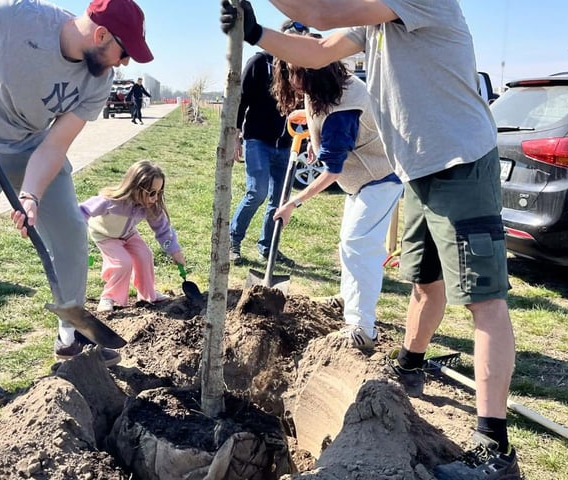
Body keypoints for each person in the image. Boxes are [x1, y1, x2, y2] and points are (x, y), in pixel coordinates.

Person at [221, 2, 520, 479]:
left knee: (483, 301)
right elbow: (317, 50)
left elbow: (317, 14)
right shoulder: (374, 21)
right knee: (425, 282)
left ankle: (494, 449)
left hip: (460, 161)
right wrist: (256, 32)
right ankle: (409, 365)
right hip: (418, 169)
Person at [0, 0, 153, 409]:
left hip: (32, 145)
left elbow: (54, 145)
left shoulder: (97, 82)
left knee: (69, 232)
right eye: (124, 52)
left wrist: (30, 193)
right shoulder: (17, 15)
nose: (123, 63)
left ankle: (70, 335)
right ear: (101, 35)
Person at [270, 59, 402, 351]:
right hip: (362, 181)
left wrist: (296, 201)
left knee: (359, 244)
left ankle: (363, 328)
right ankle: (349, 303)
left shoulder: (343, 109)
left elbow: (332, 171)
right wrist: (312, 132)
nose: (291, 82)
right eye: (286, 74)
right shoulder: (323, 88)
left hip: (381, 177)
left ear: (315, 72)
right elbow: (321, 116)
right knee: (348, 244)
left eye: (295, 74)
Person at [229, 20, 307, 267]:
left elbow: (309, 106)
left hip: (287, 144)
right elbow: (240, 102)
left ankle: (268, 246)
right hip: (257, 140)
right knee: (257, 192)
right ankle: (233, 242)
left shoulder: (302, 68)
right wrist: (235, 136)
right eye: (292, 38)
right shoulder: (259, 63)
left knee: (279, 199)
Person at [79, 160, 186, 313]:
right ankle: (109, 297)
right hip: (105, 235)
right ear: (136, 187)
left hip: (128, 234)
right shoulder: (110, 202)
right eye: (152, 193)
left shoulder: (149, 206)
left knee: (145, 255)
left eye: (159, 192)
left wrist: (175, 251)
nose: (155, 198)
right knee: (122, 263)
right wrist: (77, 233)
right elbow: (82, 210)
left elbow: (162, 229)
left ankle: (147, 294)